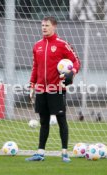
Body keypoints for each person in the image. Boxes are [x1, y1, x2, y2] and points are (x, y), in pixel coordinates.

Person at [26, 16, 80, 162]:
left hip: (57, 88)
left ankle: (64, 153)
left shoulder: (62, 44)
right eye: (42, 25)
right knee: (44, 121)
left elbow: (76, 61)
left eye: (47, 25)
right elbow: (35, 67)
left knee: (61, 120)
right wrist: (32, 85)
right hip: (41, 90)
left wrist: (72, 72)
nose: (44, 27)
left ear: (54, 26)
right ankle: (40, 153)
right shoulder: (37, 45)